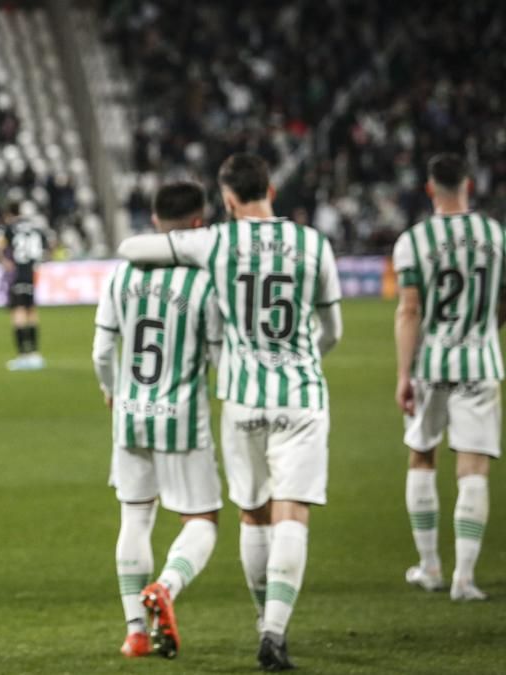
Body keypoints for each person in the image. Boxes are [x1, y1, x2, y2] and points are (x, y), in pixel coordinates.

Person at [118, 153, 343, 671]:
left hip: (242, 400)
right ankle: (274, 632)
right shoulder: (314, 244)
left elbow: (131, 246)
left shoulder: (216, 241)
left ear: (227, 200)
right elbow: (332, 328)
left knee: (254, 513)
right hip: (302, 396)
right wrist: (305, 356)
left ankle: (263, 615)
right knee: (293, 512)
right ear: (270, 188)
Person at [94, 182, 222, 660]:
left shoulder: (120, 276)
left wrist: (111, 389)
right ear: (197, 224)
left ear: (154, 220)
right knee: (202, 520)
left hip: (130, 413)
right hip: (182, 417)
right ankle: (166, 586)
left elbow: (102, 349)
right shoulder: (204, 281)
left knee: (135, 515)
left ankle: (135, 633)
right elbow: (216, 354)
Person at [392, 153, 501, 602]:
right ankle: (465, 579)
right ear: (469, 186)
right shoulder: (496, 236)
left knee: (422, 455)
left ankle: (431, 567)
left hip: (430, 365)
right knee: (473, 468)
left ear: (430, 189)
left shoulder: (414, 240)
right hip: (480, 362)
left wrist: (403, 373)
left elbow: (409, 310)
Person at [0, 201, 48, 370]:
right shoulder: (34, 227)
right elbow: (46, 247)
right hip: (31, 273)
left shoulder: (7, 228)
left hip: (16, 273)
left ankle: (23, 356)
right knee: (31, 311)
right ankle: (35, 354)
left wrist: (4, 261)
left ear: (8, 214)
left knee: (18, 312)